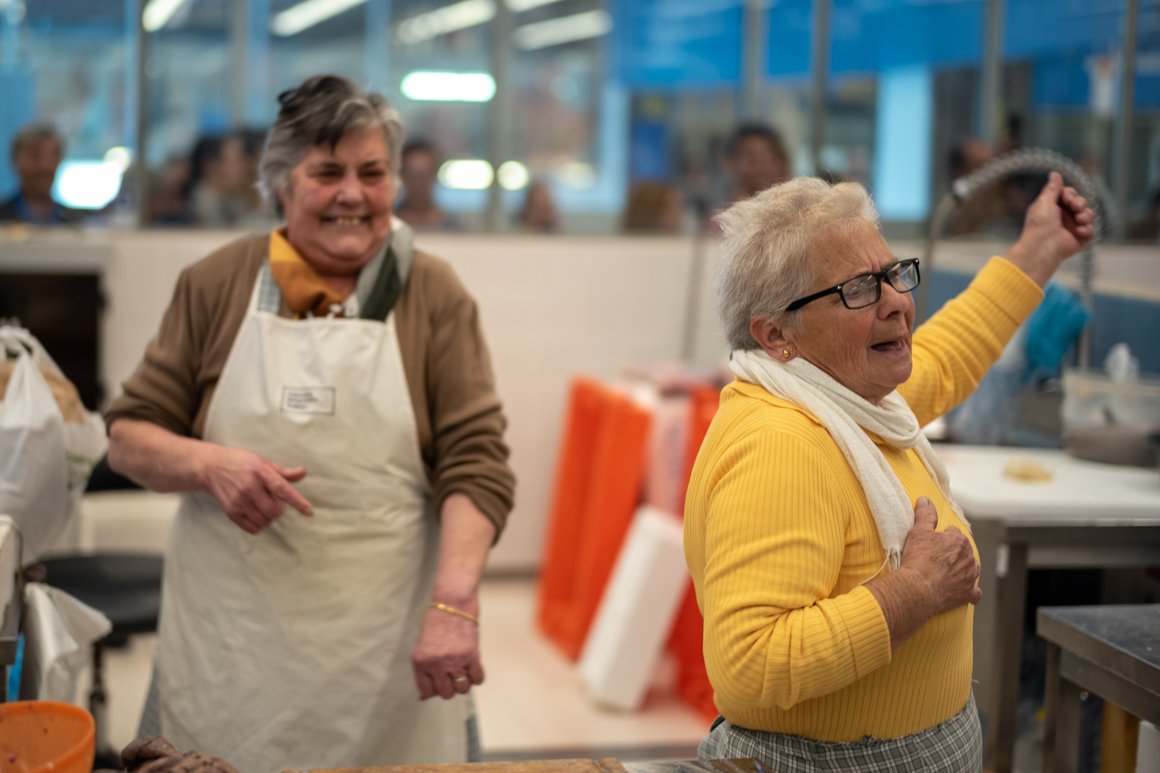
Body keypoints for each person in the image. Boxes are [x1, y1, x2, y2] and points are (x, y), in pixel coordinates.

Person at [104, 74, 515, 771]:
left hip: (383, 646)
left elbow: (477, 461)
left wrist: (455, 604)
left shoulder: (433, 292)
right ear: (281, 186)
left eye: (372, 172)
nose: (353, 193)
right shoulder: (216, 282)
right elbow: (127, 437)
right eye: (327, 172)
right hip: (232, 643)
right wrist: (209, 464)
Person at [685, 172, 1093, 770]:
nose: (899, 302)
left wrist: (1040, 247)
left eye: (892, 275)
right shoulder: (782, 442)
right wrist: (915, 590)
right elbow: (751, 666)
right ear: (776, 335)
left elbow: (950, 352)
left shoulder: (854, 399)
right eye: (857, 290)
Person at [0, 123, 87, 226]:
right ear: (15, 161)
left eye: (53, 156)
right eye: (35, 156)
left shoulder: (77, 223)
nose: (44, 166)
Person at [394, 138, 459, 231]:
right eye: (414, 174)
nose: (420, 182)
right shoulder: (388, 225)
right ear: (402, 175)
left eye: (426, 174)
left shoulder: (453, 226)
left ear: (435, 174)